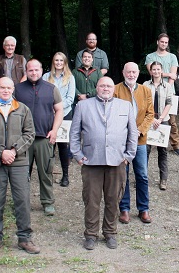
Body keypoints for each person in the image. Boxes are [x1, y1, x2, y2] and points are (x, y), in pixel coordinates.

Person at [69, 77, 138, 250]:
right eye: (102, 86)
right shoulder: (83, 106)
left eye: (108, 85)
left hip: (117, 161)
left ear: (113, 89)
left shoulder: (125, 106)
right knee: (91, 200)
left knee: (113, 199)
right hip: (92, 161)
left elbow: (133, 133)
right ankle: (91, 234)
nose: (105, 88)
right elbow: (74, 133)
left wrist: (129, 155)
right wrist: (77, 154)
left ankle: (110, 233)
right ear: (96, 88)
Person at [0, 77, 39, 254]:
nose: (5, 90)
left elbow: (29, 133)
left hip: (18, 162)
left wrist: (14, 150)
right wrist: (1, 152)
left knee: (22, 200)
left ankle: (25, 238)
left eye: (9, 88)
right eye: (2, 87)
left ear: (13, 89)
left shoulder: (22, 109)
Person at [15, 59, 64, 216]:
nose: (34, 73)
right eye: (30, 70)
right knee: (22, 174)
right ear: (26, 71)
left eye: (36, 70)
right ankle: (21, 203)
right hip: (23, 139)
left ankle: (48, 203)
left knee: (46, 172)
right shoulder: (17, 89)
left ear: (41, 70)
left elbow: (59, 110)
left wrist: (55, 130)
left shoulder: (51, 89)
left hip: (44, 137)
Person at [114, 62, 155, 224]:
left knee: (142, 175)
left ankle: (143, 209)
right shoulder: (116, 90)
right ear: (123, 72)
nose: (131, 75)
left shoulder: (145, 90)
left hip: (140, 140)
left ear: (138, 73)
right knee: (122, 175)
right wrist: (127, 132)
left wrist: (139, 130)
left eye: (134, 72)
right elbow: (113, 113)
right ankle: (124, 209)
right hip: (122, 141)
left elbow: (150, 114)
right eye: (128, 72)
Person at [145, 33, 179, 157]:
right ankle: (151, 142)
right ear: (158, 42)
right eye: (162, 42)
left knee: (171, 121)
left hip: (169, 91)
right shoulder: (150, 56)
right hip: (153, 91)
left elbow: (174, 75)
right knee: (151, 116)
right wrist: (168, 75)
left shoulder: (172, 56)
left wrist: (167, 83)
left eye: (166, 42)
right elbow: (154, 73)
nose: (164, 44)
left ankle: (176, 145)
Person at [43, 52, 76, 187]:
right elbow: (43, 94)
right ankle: (47, 175)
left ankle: (65, 175)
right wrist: (50, 108)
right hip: (48, 113)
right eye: (56, 60)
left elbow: (70, 98)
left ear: (64, 63)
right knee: (49, 144)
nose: (58, 63)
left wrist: (58, 108)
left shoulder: (70, 78)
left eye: (61, 61)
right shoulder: (46, 76)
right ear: (53, 62)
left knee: (63, 146)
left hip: (65, 114)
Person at [144, 61, 174, 190]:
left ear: (161, 71)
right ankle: (142, 177)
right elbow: (143, 103)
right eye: (154, 69)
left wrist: (161, 118)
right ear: (151, 71)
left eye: (158, 69)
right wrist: (151, 119)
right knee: (145, 150)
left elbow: (169, 103)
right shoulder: (145, 85)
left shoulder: (167, 86)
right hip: (148, 120)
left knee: (162, 151)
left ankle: (163, 180)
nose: (156, 72)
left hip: (163, 120)